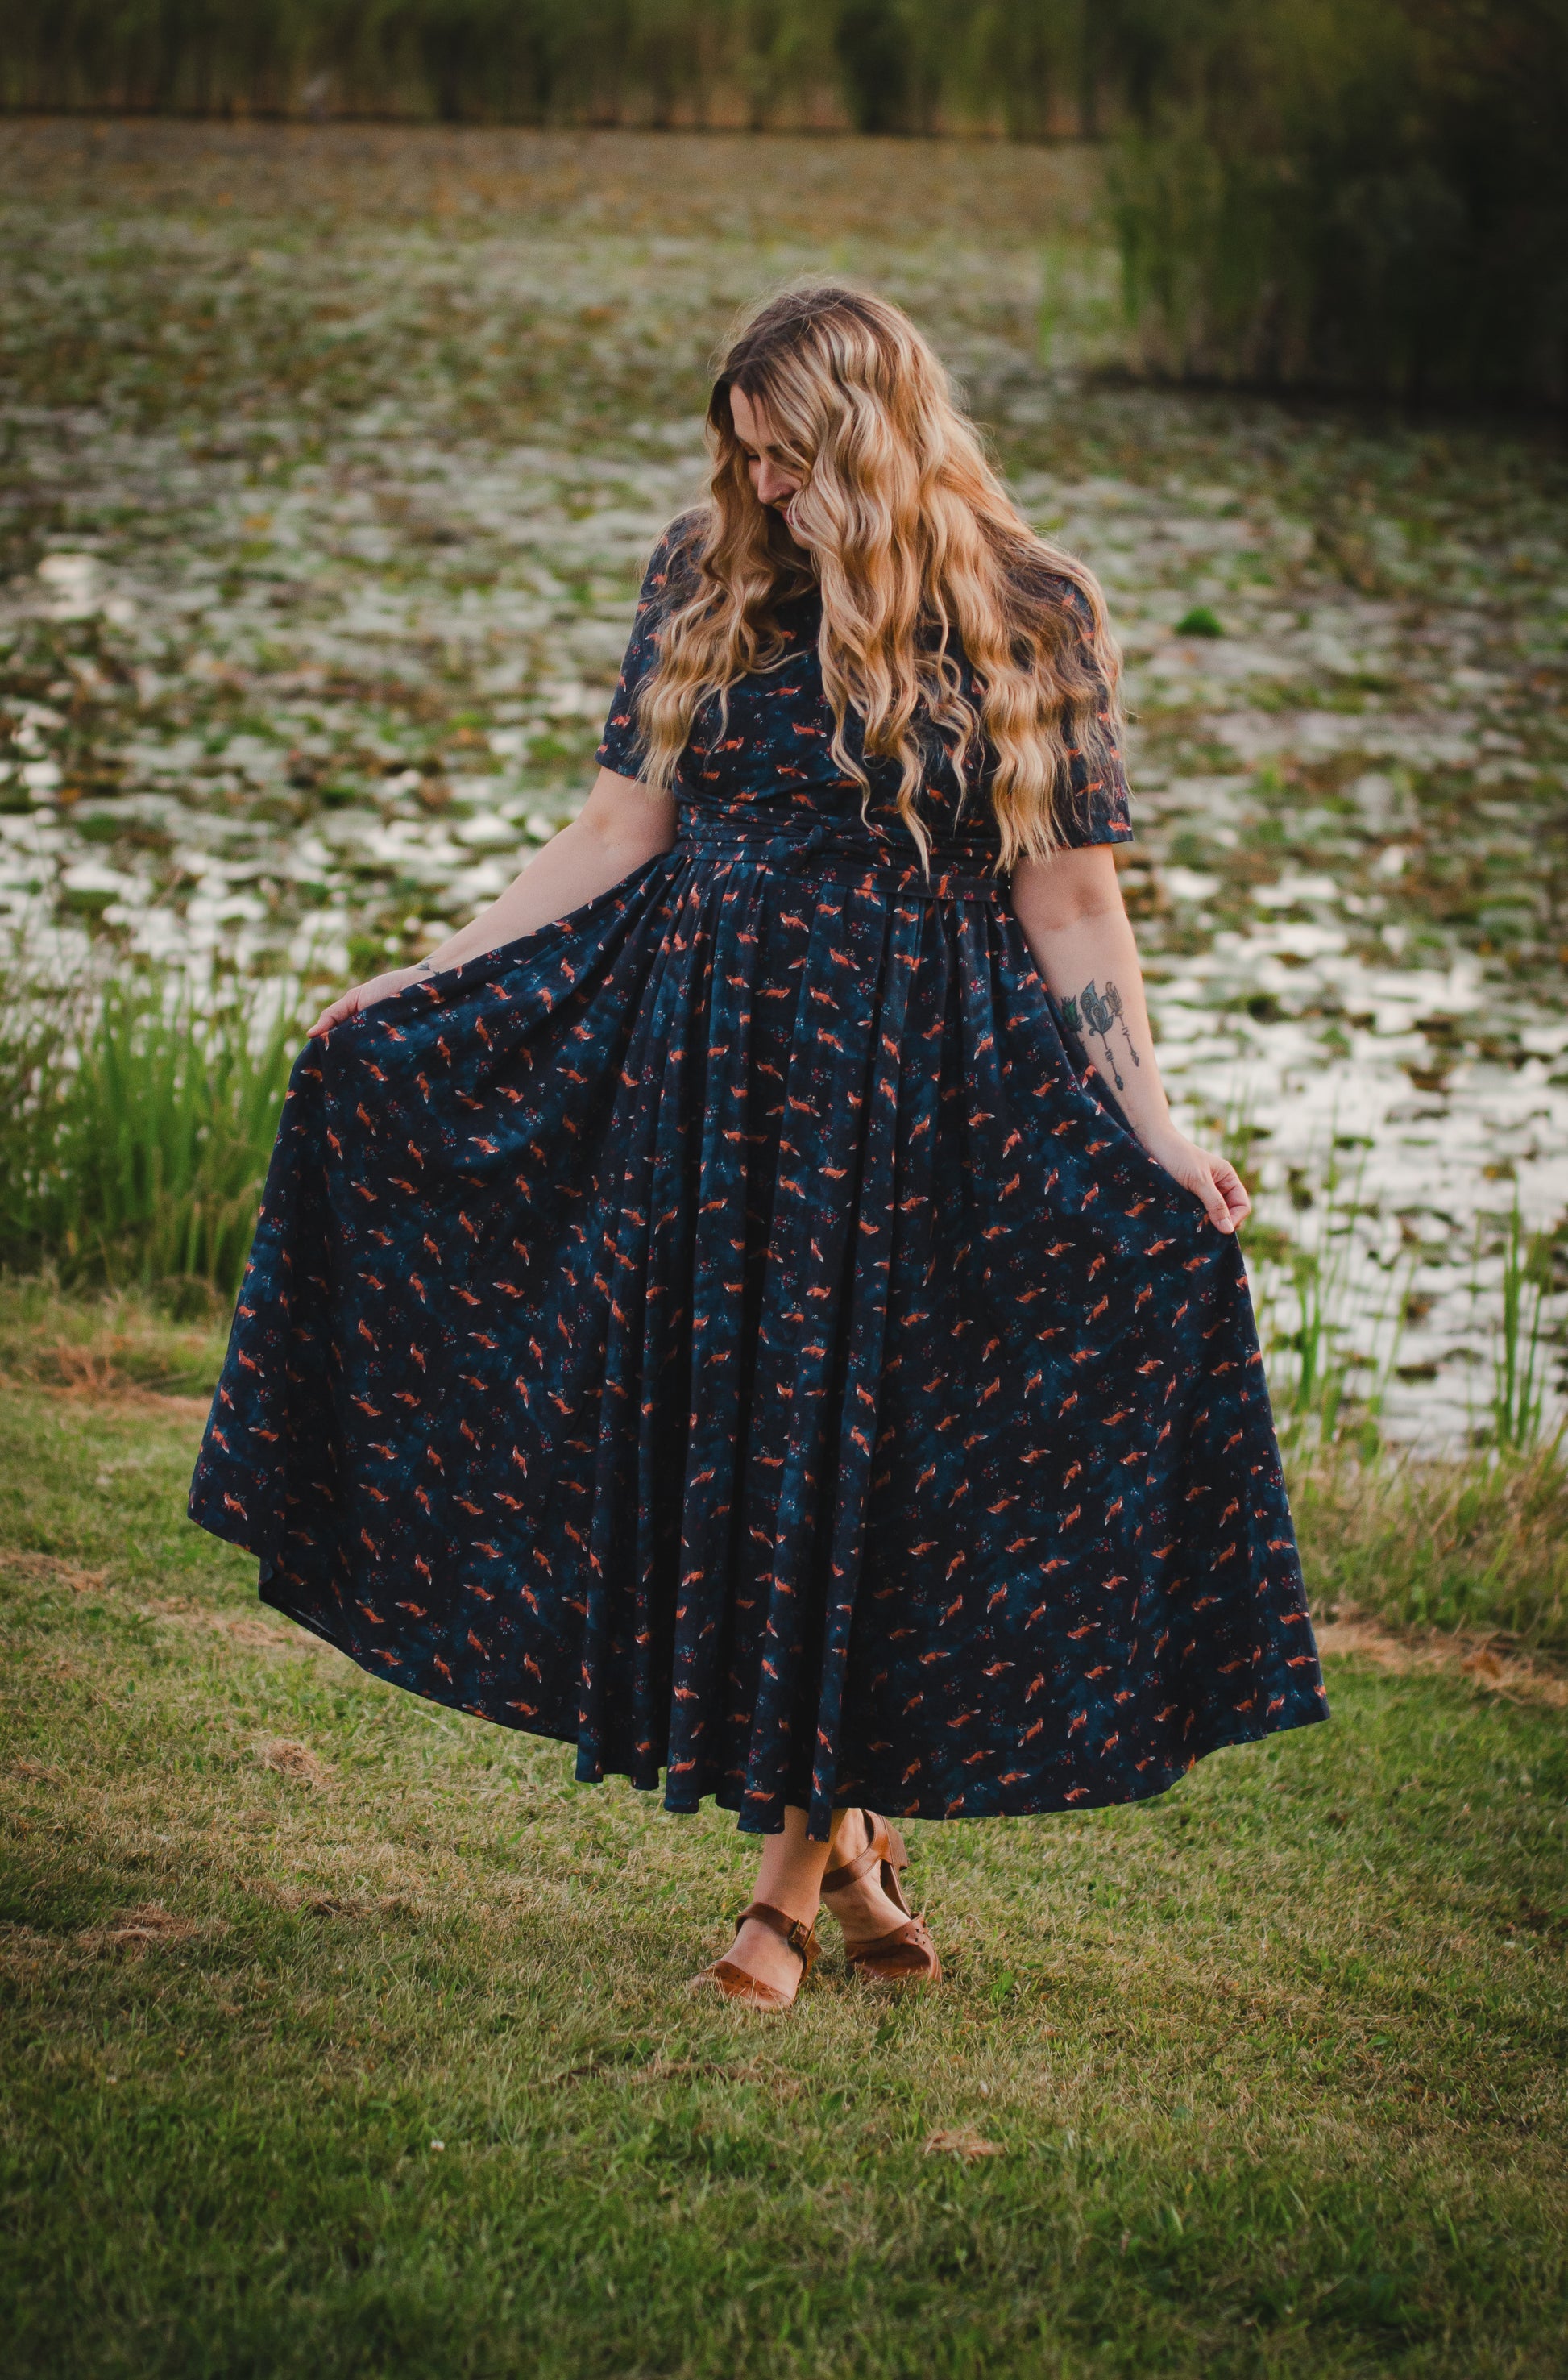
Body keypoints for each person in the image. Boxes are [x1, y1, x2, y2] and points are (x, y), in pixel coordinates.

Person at [190, 285, 1326, 2011]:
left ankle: (782, 1894)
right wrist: (424, 977)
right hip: (708, 1078)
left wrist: (1149, 1123)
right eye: (746, 456)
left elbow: (1072, 901)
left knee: (860, 1469)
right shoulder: (703, 570)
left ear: (871, 434)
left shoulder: (1032, 607)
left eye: (791, 456)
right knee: (752, 1466)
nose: (767, 487)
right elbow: (612, 830)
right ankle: (853, 1851)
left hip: (920, 1091)